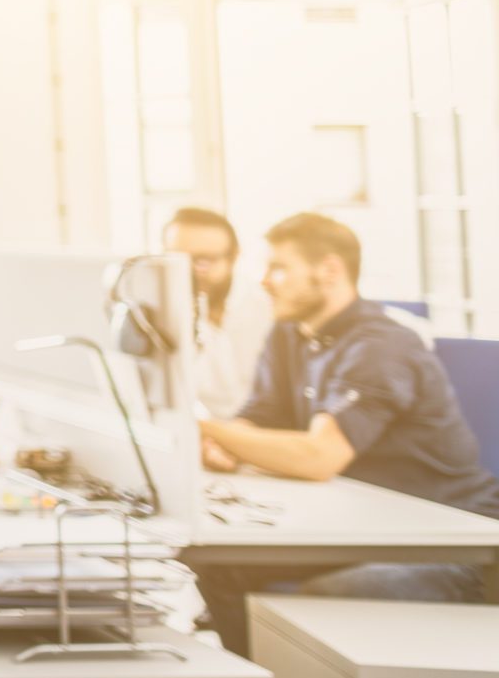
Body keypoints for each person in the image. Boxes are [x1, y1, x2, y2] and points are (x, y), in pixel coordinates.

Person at [194, 212, 499, 654]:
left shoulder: (381, 345)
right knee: (220, 567)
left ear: (330, 271)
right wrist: (223, 442)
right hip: (365, 528)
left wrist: (201, 427)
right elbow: (254, 418)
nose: (264, 281)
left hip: (457, 547)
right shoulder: (289, 336)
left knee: (322, 600)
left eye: (279, 267)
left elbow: (321, 457)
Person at [163, 207, 270, 419]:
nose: (189, 271)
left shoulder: (268, 306)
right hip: (205, 434)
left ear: (234, 256)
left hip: (265, 435)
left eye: (202, 261)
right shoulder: (161, 315)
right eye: (177, 260)